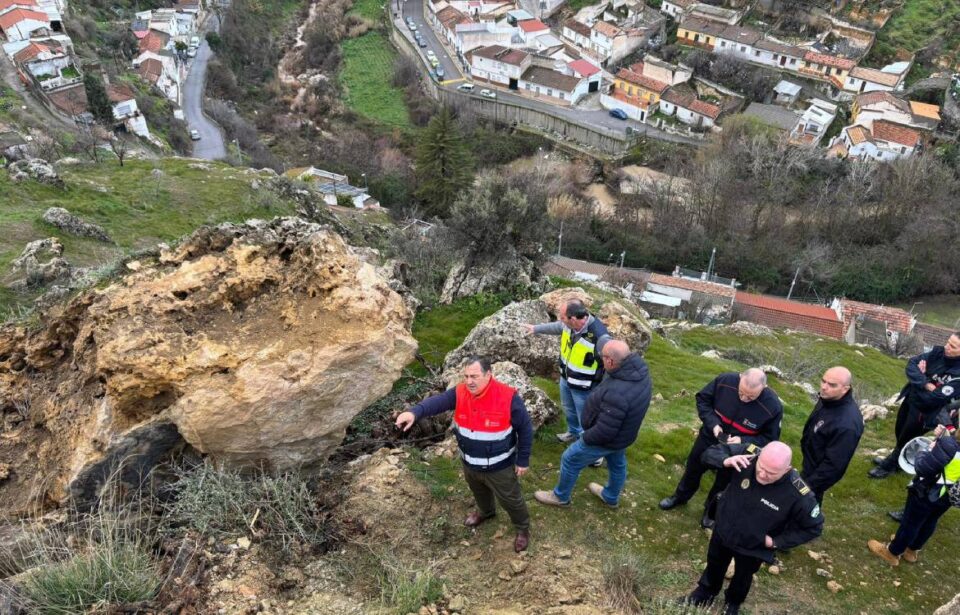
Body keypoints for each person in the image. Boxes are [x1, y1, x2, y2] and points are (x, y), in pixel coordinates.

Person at [395, 356, 534, 552]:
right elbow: (439, 401)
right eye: (466, 376)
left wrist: (523, 460)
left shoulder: (508, 397)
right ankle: (486, 512)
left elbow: (526, 429)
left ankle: (522, 528)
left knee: (511, 499)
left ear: (488, 375)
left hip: (499, 467)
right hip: (469, 463)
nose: (469, 381)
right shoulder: (460, 392)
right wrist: (414, 413)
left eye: (474, 376)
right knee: (478, 491)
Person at [680, 442, 824, 615]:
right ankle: (705, 593)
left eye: (771, 473)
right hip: (724, 529)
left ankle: (732, 603)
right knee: (715, 563)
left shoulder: (799, 494)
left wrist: (777, 542)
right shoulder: (748, 454)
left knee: (742, 577)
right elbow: (708, 453)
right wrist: (726, 460)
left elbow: (814, 527)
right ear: (759, 456)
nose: (762, 475)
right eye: (760, 467)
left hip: (753, 545)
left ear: (786, 470)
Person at [533, 340, 652, 508]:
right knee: (617, 463)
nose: (600, 360)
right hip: (625, 434)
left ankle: (560, 497)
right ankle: (610, 496)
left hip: (608, 438)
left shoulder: (618, 393)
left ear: (610, 361)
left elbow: (604, 431)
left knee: (570, 459)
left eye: (602, 357)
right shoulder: (639, 371)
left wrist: (585, 437)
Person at [659, 368, 783, 530]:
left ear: (764, 388)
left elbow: (769, 439)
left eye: (751, 397)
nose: (744, 399)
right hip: (709, 437)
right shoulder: (724, 381)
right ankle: (680, 497)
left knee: (724, 484)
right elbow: (702, 399)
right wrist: (713, 424)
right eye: (741, 393)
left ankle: (710, 514)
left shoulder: (773, 406)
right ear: (739, 379)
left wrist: (742, 441)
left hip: (738, 450)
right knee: (693, 469)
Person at [869, 332, 960, 480]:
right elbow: (912, 364)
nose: (947, 347)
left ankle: (887, 466)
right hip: (911, 399)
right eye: (948, 342)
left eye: (953, 346)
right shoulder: (937, 353)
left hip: (926, 411)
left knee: (907, 436)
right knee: (900, 430)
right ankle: (897, 460)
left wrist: (921, 380)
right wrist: (925, 382)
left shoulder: (958, 374)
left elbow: (936, 397)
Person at [867, 426, 960, 566]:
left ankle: (892, 552)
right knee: (930, 520)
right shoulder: (949, 444)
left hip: (927, 490)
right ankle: (912, 550)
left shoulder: (949, 445)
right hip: (947, 495)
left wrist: (930, 448)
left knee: (910, 522)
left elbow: (922, 467)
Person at [523, 299, 611, 444]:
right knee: (569, 409)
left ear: (574, 318)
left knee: (587, 418)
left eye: (562, 317)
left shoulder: (600, 336)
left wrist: (604, 389)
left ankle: (593, 449)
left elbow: (609, 364)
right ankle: (573, 432)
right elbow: (558, 327)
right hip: (566, 378)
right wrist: (536, 328)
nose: (560, 320)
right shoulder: (568, 325)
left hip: (585, 387)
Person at [800, 366, 864, 505]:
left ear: (845, 389)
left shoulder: (847, 425)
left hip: (817, 477)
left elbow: (834, 466)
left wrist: (808, 486)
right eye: (823, 381)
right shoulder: (828, 398)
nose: (824, 387)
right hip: (810, 464)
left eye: (832, 385)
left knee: (807, 509)